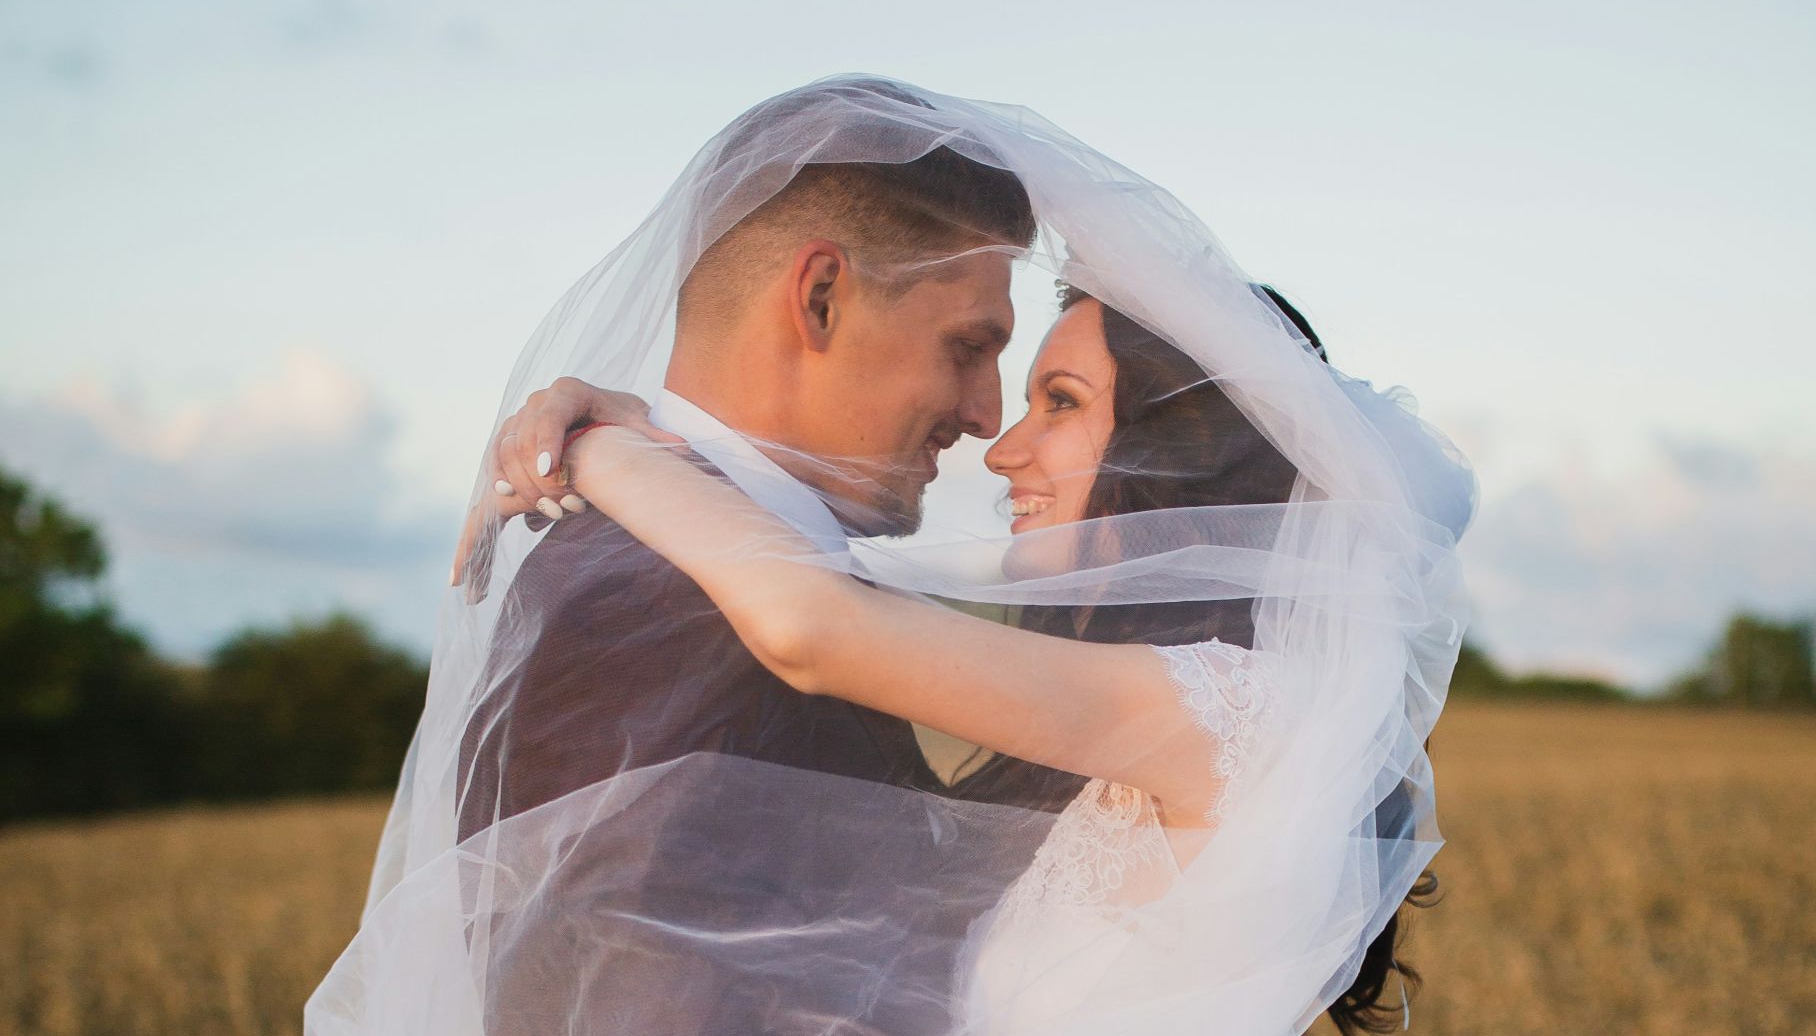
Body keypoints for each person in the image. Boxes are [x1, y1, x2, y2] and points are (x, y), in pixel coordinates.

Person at [309, 76, 1470, 1036]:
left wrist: (602, 443)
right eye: (973, 351)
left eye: (1052, 399)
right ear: (818, 297)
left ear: (1185, 455)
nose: (989, 429)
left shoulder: (1221, 716)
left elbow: (814, 631)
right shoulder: (645, 599)